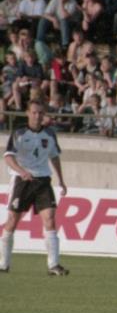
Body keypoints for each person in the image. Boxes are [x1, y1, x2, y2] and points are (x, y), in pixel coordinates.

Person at [0, 100, 69, 275]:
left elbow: (54, 157)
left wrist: (61, 180)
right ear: (27, 113)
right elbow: (8, 157)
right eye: (34, 112)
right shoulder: (19, 132)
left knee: (50, 218)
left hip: (43, 180)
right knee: (12, 221)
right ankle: (3, 264)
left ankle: (53, 265)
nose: (37, 116)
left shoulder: (49, 134)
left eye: (40, 113)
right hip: (22, 181)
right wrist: (22, 171)